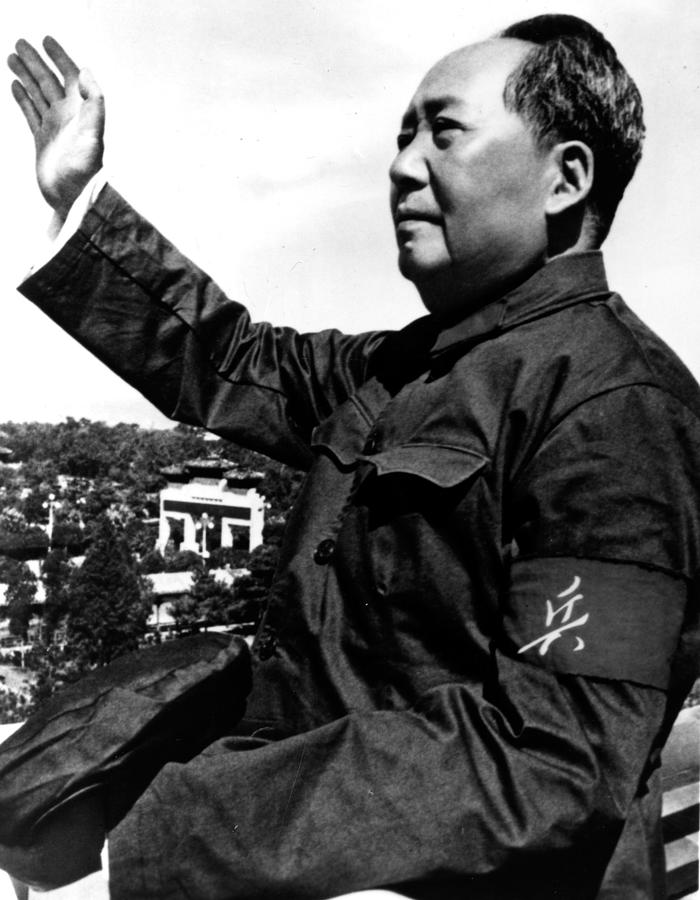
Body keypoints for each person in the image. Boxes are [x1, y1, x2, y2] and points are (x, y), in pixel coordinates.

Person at [6, 13, 700, 900]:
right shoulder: (408, 368)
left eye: (443, 132)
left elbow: (551, 759)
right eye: (403, 135)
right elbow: (236, 360)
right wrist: (82, 199)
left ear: (566, 177)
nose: (403, 165)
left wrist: (176, 840)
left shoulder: (617, 409)